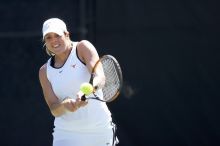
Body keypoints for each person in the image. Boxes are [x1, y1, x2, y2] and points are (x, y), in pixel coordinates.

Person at [39, 18, 118, 146]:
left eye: (57, 35)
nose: (53, 40)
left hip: (99, 130)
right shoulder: (44, 71)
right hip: (65, 134)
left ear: (66, 34)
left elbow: (100, 77)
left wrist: (88, 90)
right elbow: (54, 108)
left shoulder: (82, 48)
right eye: (48, 37)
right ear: (45, 41)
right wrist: (64, 105)